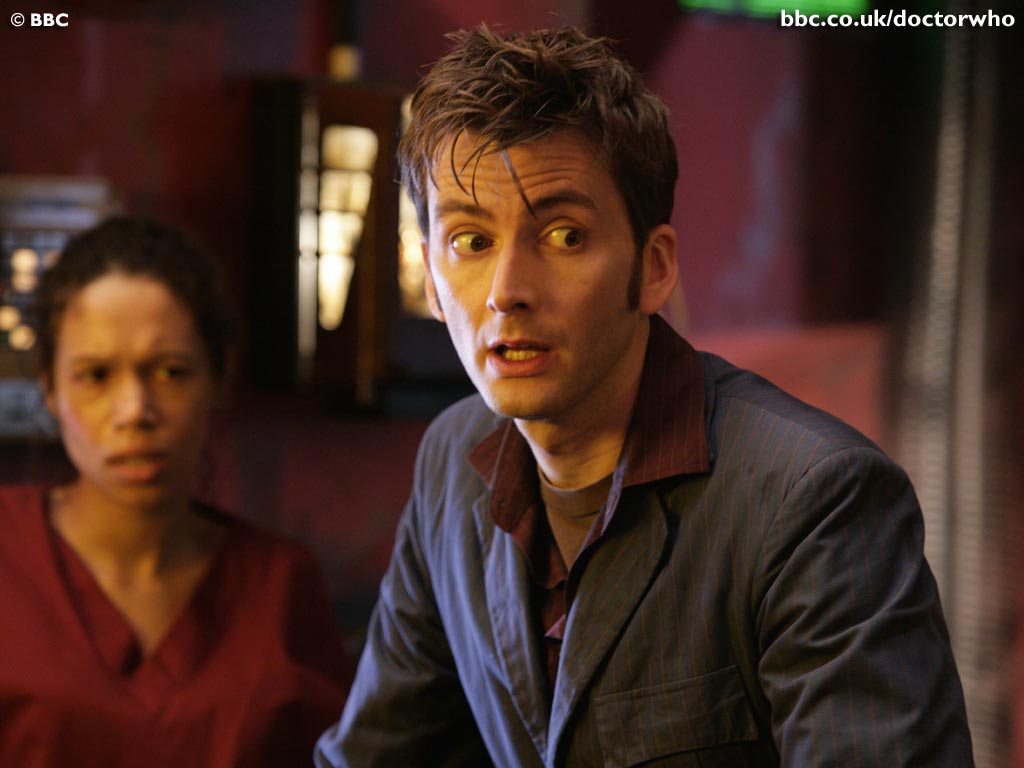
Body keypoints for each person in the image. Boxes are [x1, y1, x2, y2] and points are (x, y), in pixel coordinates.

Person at [315, 25, 973, 767]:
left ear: (653, 267)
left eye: (564, 236)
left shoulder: (814, 498)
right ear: (432, 282)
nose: (507, 292)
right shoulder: (450, 464)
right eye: (471, 241)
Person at [0, 217, 350, 767]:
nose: (135, 411)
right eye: (96, 376)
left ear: (217, 378)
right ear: (50, 388)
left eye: (170, 372)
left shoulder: (280, 586)